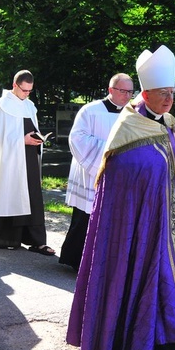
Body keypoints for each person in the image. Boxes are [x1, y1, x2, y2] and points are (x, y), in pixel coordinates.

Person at [66, 45, 175, 350]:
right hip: (135, 227)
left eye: (173, 93)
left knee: (168, 279)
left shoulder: (169, 120)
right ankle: (142, 341)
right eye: (163, 93)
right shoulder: (127, 128)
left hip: (165, 220)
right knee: (140, 274)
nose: (169, 99)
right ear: (145, 93)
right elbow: (122, 175)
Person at [0, 70, 55, 256]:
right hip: (8, 160)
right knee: (8, 194)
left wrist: (37, 139)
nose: (27, 94)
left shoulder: (30, 106)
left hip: (29, 157)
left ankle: (36, 241)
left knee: (32, 196)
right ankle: (2, 238)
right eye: (24, 90)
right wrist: (20, 140)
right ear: (15, 86)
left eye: (30, 91)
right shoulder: (2, 106)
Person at [58, 73, 134, 271]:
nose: (127, 96)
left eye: (130, 92)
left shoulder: (133, 115)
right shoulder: (90, 110)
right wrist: (109, 152)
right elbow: (77, 138)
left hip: (118, 174)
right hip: (90, 172)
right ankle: (76, 261)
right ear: (111, 90)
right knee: (85, 217)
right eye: (123, 91)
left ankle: (104, 264)